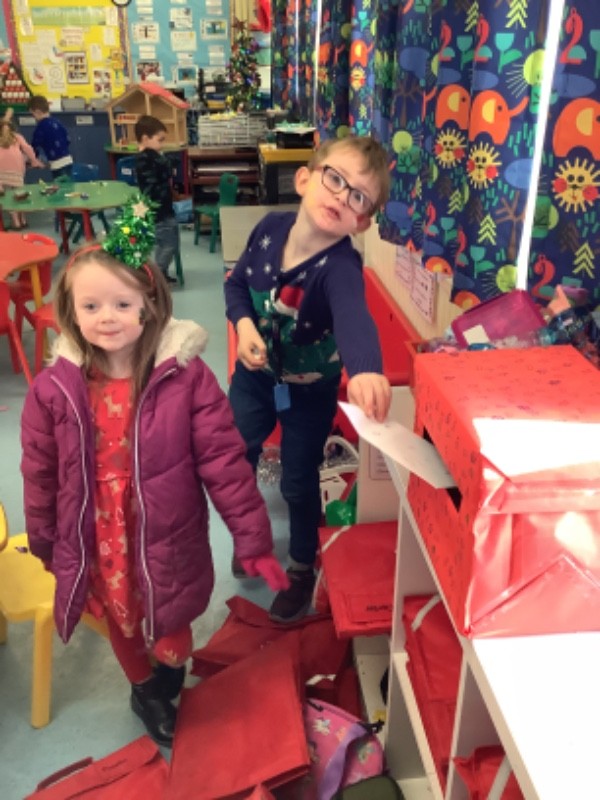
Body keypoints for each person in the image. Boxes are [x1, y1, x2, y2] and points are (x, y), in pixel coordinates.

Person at [20, 195, 289, 748]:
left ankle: (163, 669)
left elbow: (224, 463)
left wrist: (253, 539)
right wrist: (45, 540)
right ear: (71, 310)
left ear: (149, 304)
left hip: (167, 532)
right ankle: (143, 690)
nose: (107, 317)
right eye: (91, 306)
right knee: (122, 620)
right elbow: (40, 473)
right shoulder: (53, 390)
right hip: (99, 534)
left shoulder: (184, 378)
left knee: (172, 633)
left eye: (122, 303)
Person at [225, 135, 393, 623]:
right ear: (304, 178)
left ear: (361, 222)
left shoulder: (339, 267)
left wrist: (366, 369)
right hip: (255, 379)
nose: (342, 196)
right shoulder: (269, 229)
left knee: (299, 483)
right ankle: (250, 536)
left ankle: (301, 565)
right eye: (335, 179)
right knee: (234, 456)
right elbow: (237, 286)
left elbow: (354, 316)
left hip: (310, 394)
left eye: (358, 197)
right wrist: (244, 326)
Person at [134, 115, 180, 285]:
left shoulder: (150, 156)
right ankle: (157, 275)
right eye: (159, 140)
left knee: (170, 241)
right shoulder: (147, 157)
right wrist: (169, 167)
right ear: (146, 139)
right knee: (168, 244)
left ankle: (161, 272)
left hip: (162, 208)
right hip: (158, 211)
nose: (162, 145)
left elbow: (167, 167)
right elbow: (168, 167)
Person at [0, 111, 44, 229]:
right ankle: (23, 220)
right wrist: (34, 161)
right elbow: (28, 149)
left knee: (8, 197)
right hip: (17, 170)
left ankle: (16, 223)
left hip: (1, 172)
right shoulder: (17, 137)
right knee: (19, 195)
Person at [27, 95, 73, 177]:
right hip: (68, 160)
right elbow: (68, 140)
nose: (33, 117)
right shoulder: (57, 122)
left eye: (33, 114)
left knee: (60, 184)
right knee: (67, 182)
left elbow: (34, 147)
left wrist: (32, 160)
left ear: (37, 112)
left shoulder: (40, 127)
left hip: (56, 164)